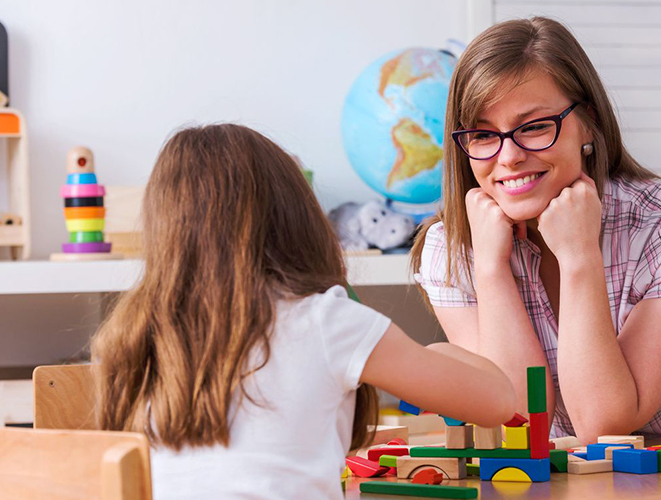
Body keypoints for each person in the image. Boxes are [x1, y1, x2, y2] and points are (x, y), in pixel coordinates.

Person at [91, 124, 517, 500]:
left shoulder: (133, 334)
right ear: (296, 218)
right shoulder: (325, 321)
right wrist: (435, 354)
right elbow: (499, 401)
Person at [411, 17, 661, 444]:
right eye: (483, 135)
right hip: (563, 478)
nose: (508, 157)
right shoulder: (452, 248)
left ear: (587, 123)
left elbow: (605, 423)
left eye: (535, 126)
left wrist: (579, 256)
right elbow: (517, 416)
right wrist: (491, 268)